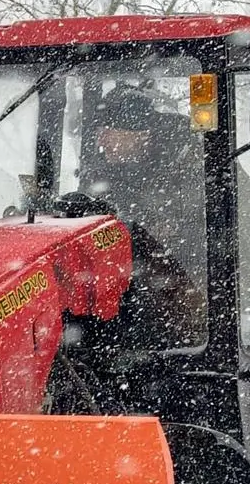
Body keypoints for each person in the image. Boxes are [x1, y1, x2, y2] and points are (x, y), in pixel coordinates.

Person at [80, 86, 208, 350]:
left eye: (108, 132)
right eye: (99, 132)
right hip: (125, 292)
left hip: (190, 293)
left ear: (139, 135)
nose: (102, 141)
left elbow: (246, 221)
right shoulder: (104, 174)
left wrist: (180, 237)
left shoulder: (197, 165)